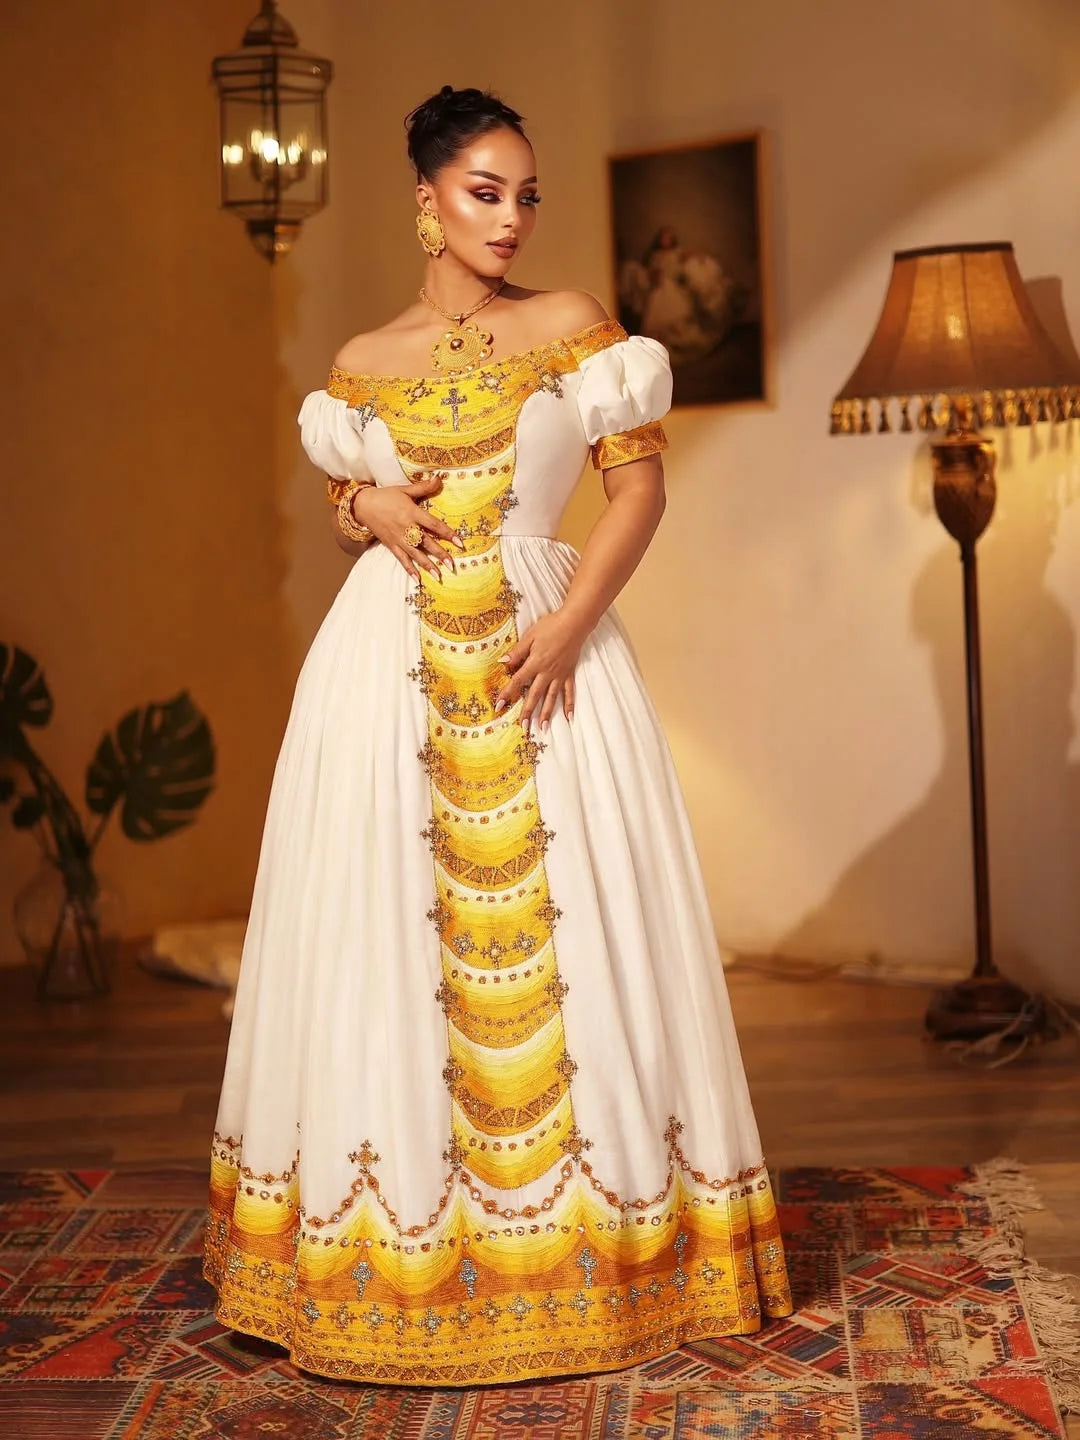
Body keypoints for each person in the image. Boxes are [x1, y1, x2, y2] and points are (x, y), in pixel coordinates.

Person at [202, 84, 792, 1389]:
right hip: (383, 671)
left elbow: (636, 487)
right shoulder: (364, 358)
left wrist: (574, 621)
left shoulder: (578, 328)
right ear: (426, 199)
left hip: (542, 654)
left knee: (586, 939)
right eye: (485, 190)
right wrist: (367, 505)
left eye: (526, 193)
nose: (513, 216)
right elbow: (351, 488)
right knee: (380, 941)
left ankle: (603, 1259)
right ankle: (386, 1256)